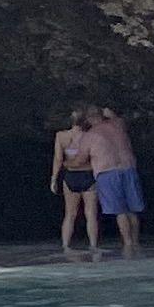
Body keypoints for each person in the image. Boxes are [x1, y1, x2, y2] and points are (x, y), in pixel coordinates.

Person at [81, 103, 145, 257]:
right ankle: (136, 242)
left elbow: (81, 159)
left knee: (119, 211)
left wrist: (67, 162)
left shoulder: (89, 135)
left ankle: (128, 242)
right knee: (132, 209)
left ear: (88, 119)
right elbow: (118, 120)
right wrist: (111, 114)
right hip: (128, 168)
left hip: (108, 171)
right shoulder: (118, 124)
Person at [46, 108, 99, 255]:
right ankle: (93, 245)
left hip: (70, 176)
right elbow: (95, 157)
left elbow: (58, 159)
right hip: (88, 175)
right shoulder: (90, 136)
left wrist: (54, 179)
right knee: (90, 213)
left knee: (69, 213)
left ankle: (66, 245)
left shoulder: (61, 136)